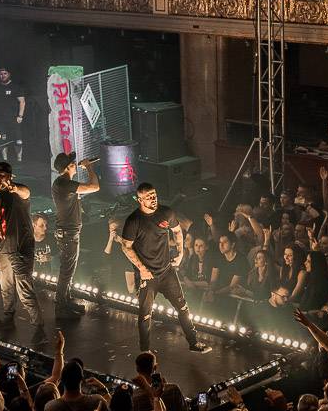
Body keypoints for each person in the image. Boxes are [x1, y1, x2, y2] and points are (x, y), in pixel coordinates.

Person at [119, 182, 212, 354]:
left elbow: (177, 231)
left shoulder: (166, 212)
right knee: (146, 315)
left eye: (154, 195)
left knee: (183, 307)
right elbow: (126, 246)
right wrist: (141, 269)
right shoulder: (134, 221)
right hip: (148, 275)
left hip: (167, 271)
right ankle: (145, 352)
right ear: (140, 200)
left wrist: (181, 252)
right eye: (148, 197)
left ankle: (193, 342)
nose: (153, 199)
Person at [0, 161, 46, 348]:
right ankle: (8, 319)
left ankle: (39, 328)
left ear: (10, 175)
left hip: (20, 248)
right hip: (2, 247)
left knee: (24, 289)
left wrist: (11, 187)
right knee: (6, 286)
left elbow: (26, 192)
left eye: (2, 175)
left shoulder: (18, 192)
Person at [50, 151, 101, 318]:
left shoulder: (63, 183)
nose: (75, 164)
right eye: (72, 163)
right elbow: (95, 186)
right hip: (68, 233)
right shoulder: (65, 184)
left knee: (68, 270)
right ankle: (61, 308)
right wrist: (89, 167)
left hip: (68, 232)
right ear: (68, 167)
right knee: (66, 271)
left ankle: (66, 301)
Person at [0, 67, 27, 163]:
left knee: (18, 141)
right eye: (1, 74)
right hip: (0, 119)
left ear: (9, 74)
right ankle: (5, 159)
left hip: (14, 118)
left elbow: (22, 102)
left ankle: (19, 160)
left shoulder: (16, 87)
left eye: (5, 73)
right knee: (2, 141)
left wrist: (20, 116)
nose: (3, 76)